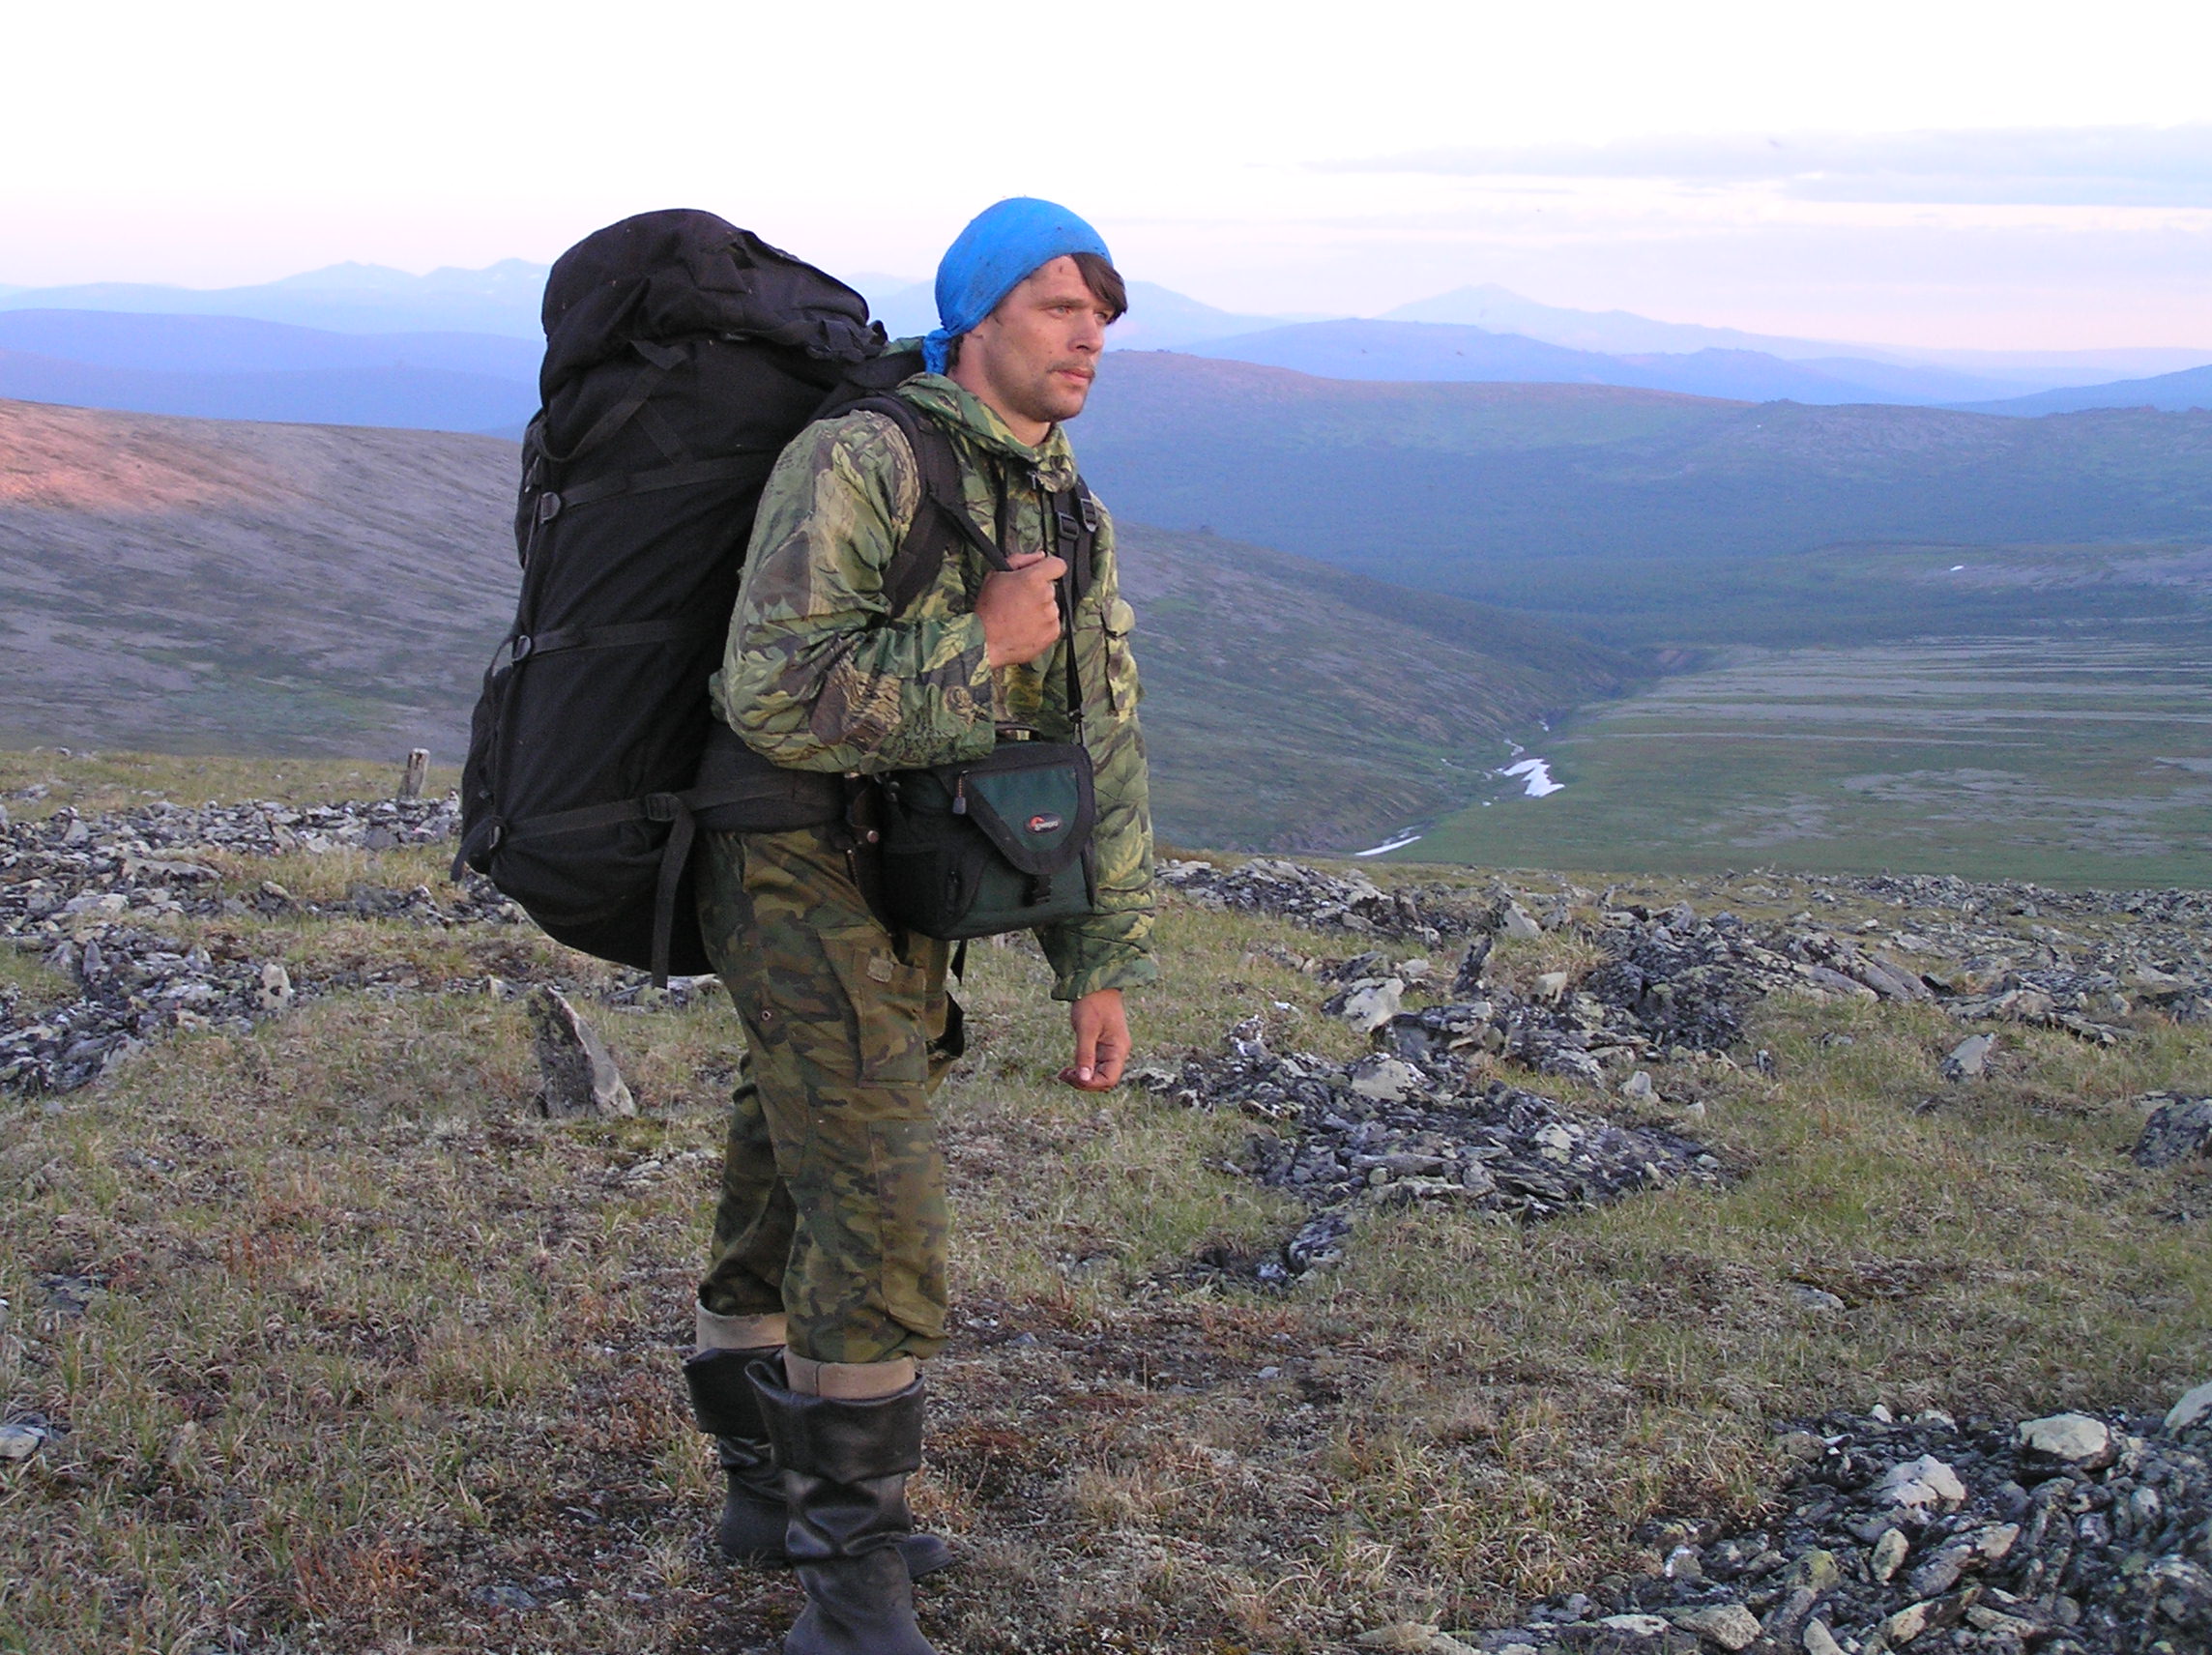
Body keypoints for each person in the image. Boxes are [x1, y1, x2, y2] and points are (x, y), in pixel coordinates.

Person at [679, 198, 1156, 1655]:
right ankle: (851, 1598)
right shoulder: (861, 459)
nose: (1089, 335)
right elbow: (768, 692)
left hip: (906, 870)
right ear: (974, 317)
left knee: (794, 1153)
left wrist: (1102, 961)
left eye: (1103, 313)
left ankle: (769, 1496)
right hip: (787, 857)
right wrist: (985, 643)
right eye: (1056, 305)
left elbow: (1099, 734)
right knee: (878, 1194)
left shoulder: (1063, 494)